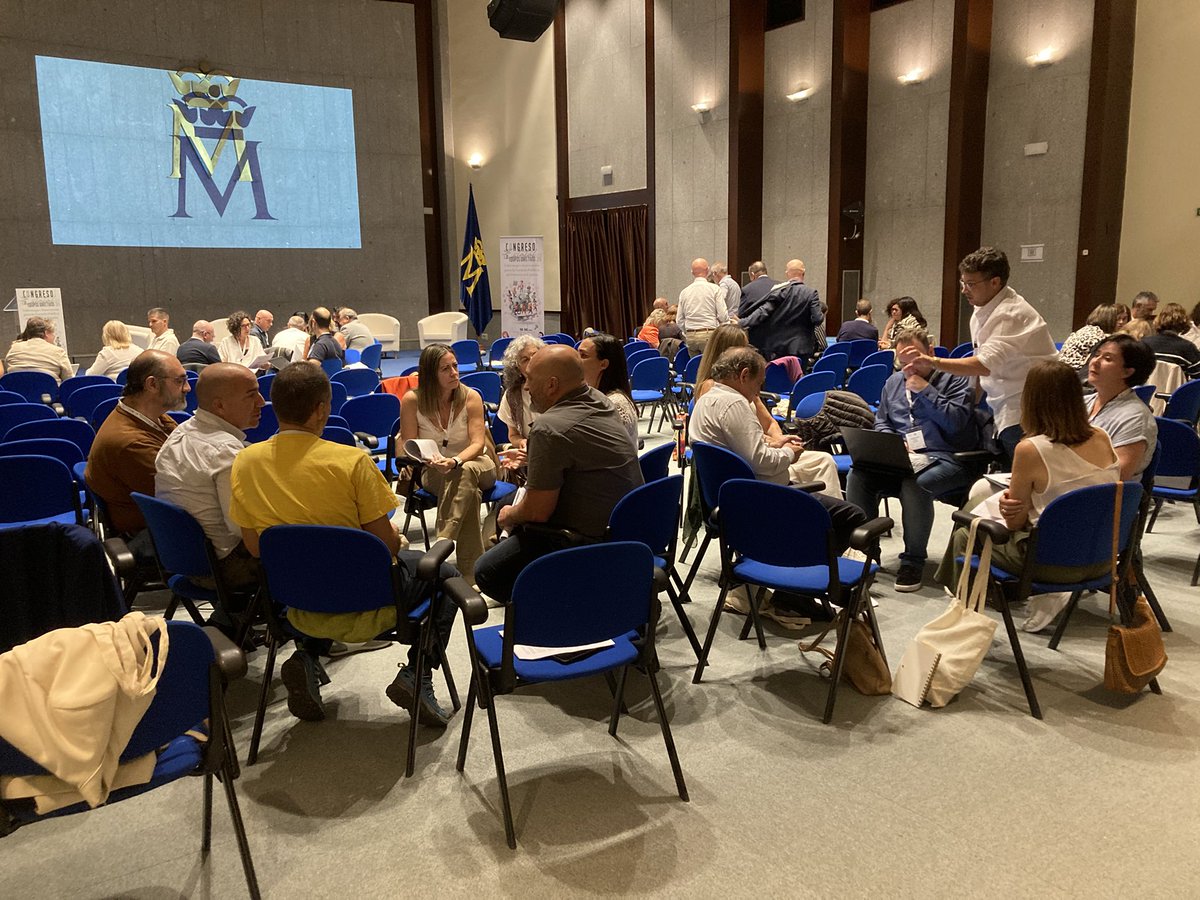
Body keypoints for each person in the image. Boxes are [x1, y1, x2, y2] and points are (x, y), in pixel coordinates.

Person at [229, 363, 458, 724]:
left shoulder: (244, 462)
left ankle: (306, 653)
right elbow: (387, 547)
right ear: (322, 408)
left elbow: (257, 548)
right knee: (445, 573)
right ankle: (417, 672)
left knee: (318, 567)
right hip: (373, 599)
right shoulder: (351, 462)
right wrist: (396, 539)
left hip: (297, 601)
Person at [474, 345, 643, 604]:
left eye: (530, 379)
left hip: (582, 541)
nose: (527, 387)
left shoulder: (548, 428)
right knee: (508, 504)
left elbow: (537, 512)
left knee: (487, 571)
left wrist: (508, 517)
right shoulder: (603, 402)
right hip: (625, 532)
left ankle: (566, 608)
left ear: (552, 385)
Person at [935, 360, 1119, 596]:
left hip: (1051, 564)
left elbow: (1014, 523)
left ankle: (961, 602)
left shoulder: (1031, 449)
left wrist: (1016, 506)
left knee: (966, 532)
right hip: (1103, 557)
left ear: (1029, 400)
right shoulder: (1102, 437)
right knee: (978, 506)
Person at [688, 346, 867, 547]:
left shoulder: (705, 400)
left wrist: (773, 442)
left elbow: (733, 445)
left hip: (731, 494)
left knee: (821, 481)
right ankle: (822, 564)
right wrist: (789, 453)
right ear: (744, 375)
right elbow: (762, 463)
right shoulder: (734, 403)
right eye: (759, 383)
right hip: (762, 496)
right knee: (852, 515)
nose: (759, 390)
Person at [845, 327, 979, 592]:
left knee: (915, 483)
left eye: (916, 361)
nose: (910, 370)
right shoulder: (893, 383)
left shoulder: (956, 379)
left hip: (948, 458)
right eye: (903, 363)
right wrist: (893, 442)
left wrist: (926, 391)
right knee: (858, 476)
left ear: (930, 352)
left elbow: (957, 424)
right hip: (903, 458)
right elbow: (882, 421)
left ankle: (913, 561)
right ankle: (867, 552)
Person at [899, 247, 1056, 466]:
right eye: (963, 283)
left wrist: (933, 362)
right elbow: (981, 366)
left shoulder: (1010, 314)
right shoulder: (982, 309)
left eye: (971, 284)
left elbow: (983, 365)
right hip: (1003, 405)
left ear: (995, 282)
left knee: (1027, 480)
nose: (964, 290)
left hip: (1028, 410)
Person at [155, 363, 265, 594]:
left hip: (188, 561)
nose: (261, 402)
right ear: (220, 406)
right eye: (251, 394)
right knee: (313, 546)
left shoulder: (180, 432)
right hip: (225, 569)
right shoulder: (226, 452)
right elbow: (240, 529)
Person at [399, 344, 498, 583]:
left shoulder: (471, 396)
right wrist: (430, 460)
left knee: (466, 470)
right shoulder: (412, 400)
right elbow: (408, 446)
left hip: (477, 462)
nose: (455, 372)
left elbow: (477, 443)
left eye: (455, 366)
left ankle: (443, 538)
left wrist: (455, 460)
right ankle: (471, 575)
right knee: (469, 492)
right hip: (434, 470)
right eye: (446, 369)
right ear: (431, 373)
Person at [85, 350, 188, 560]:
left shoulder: (153, 418)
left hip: (163, 519)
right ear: (152, 384)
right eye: (180, 381)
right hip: (154, 531)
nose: (187, 388)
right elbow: (182, 496)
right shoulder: (130, 443)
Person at [1085, 334, 1158, 480]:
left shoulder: (1136, 418)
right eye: (1097, 354)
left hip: (1102, 497)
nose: (1095, 362)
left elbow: (1117, 476)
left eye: (1107, 359)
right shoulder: (1082, 402)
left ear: (1127, 371)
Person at [738, 258, 824, 363]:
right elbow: (818, 319)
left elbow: (763, 312)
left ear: (787, 274)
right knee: (799, 376)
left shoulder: (780, 291)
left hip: (779, 347)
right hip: (802, 346)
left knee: (780, 376)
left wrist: (742, 322)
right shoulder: (811, 293)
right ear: (803, 273)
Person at [578, 333, 639, 447]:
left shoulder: (614, 404)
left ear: (603, 364)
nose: (576, 360)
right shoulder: (595, 395)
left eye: (583, 355)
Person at [497, 334, 545, 450]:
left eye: (535, 355)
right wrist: (522, 442)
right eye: (525, 360)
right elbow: (513, 435)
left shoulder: (558, 387)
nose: (532, 361)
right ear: (517, 368)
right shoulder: (512, 395)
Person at [677, 257, 728, 355]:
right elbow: (722, 315)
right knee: (709, 367)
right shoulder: (715, 289)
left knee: (695, 367)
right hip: (709, 333)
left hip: (691, 336)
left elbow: (679, 320)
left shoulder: (684, 292)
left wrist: (688, 331)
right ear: (708, 270)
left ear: (692, 272)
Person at [4, 316, 74, 382]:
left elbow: (7, 369)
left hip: (18, 393)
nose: (54, 336)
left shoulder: (13, 349)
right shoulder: (58, 352)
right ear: (46, 333)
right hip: (49, 393)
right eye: (53, 333)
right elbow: (69, 380)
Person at [1058, 303, 1121, 375]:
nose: (1121, 322)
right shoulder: (1098, 335)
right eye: (1117, 319)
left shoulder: (1086, 329)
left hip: (1063, 370)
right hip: (1074, 374)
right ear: (1110, 320)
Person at [1142, 302, 1200, 379]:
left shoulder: (1144, 344)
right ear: (1183, 322)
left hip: (1148, 390)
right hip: (1177, 390)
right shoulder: (1188, 348)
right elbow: (1197, 377)